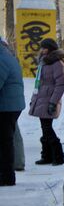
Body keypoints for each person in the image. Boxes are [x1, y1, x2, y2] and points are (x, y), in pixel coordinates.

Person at [28, 38, 64, 166]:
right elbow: (39, 83)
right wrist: (34, 100)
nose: (42, 50)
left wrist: (53, 102)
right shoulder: (43, 62)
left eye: (44, 48)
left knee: (47, 129)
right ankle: (47, 156)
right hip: (41, 98)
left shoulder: (56, 63)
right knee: (45, 129)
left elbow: (60, 84)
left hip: (49, 99)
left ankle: (58, 156)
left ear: (50, 49)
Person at [0, 37, 25, 186]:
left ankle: (7, 176)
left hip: (6, 106)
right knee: (5, 141)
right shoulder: (7, 56)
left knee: (4, 142)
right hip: (11, 104)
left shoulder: (2, 60)